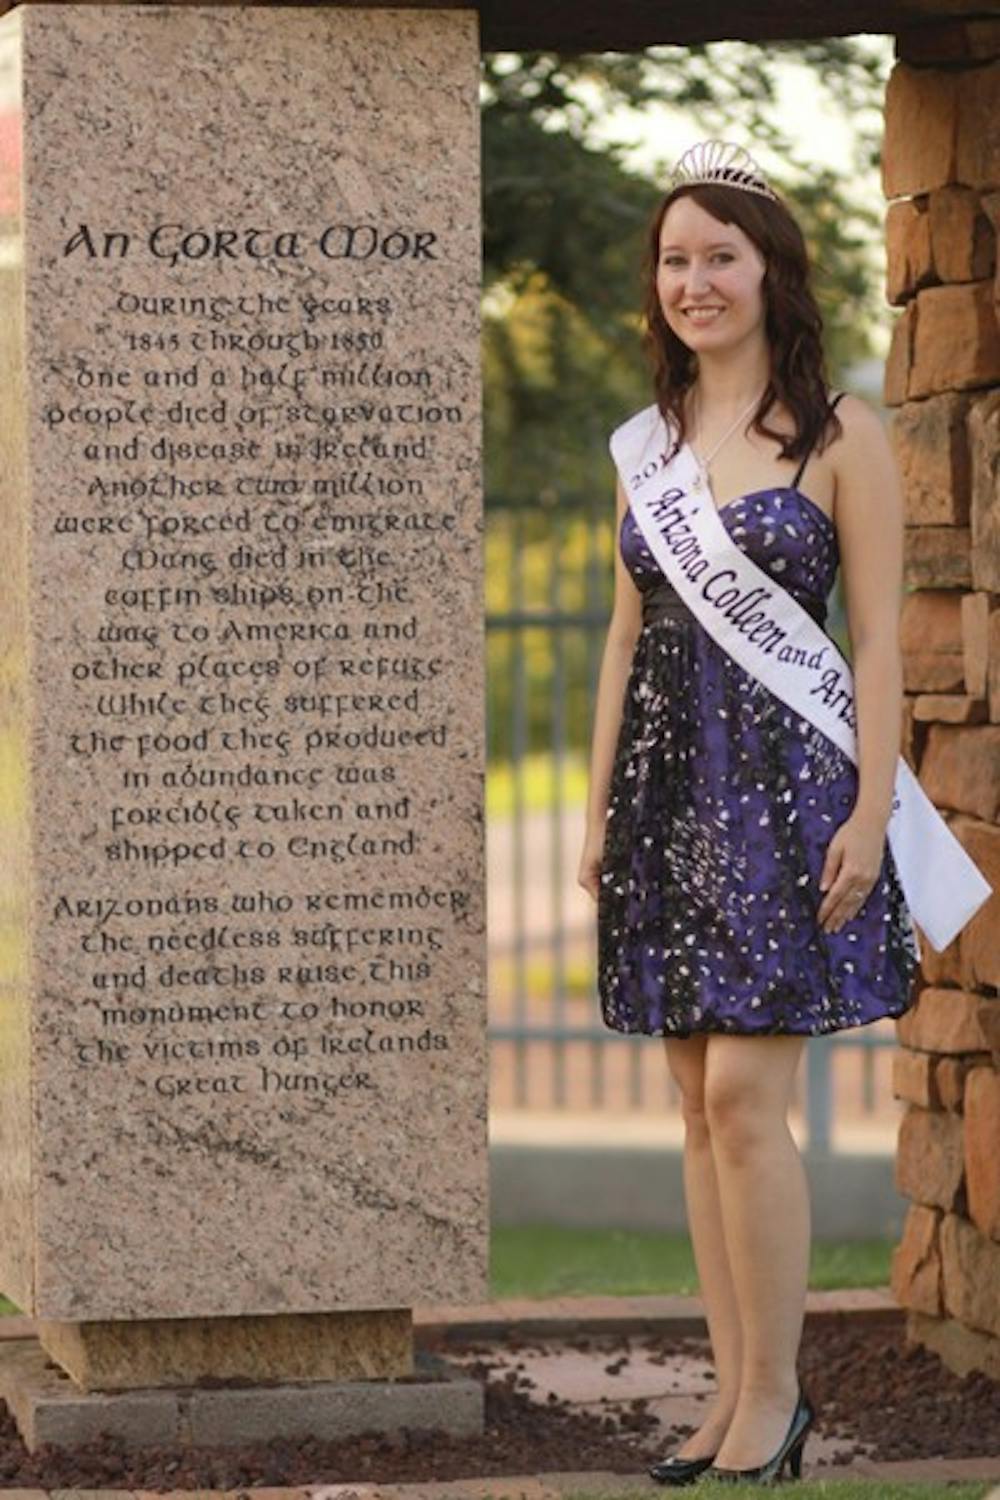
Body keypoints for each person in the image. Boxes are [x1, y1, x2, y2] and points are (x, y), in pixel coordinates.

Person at [577, 141, 921, 1487]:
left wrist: (874, 809)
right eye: (676, 259)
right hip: (669, 793)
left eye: (721, 254)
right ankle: (731, 1402)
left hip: (790, 800)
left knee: (739, 1094)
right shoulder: (645, 449)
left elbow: (882, 643)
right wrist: (600, 810)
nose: (695, 280)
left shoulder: (845, 437)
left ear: (773, 271)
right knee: (688, 1095)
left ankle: (777, 1397)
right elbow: (619, 640)